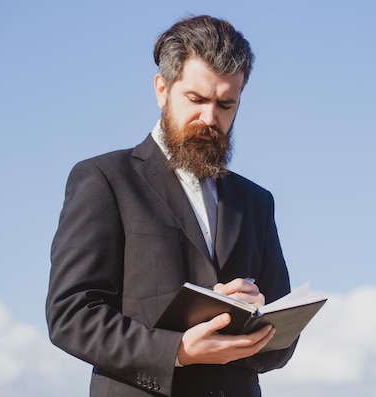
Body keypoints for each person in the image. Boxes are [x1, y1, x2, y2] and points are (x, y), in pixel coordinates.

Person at [46, 15, 296, 397]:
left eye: (226, 104)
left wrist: (259, 318)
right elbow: (71, 315)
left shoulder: (257, 203)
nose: (210, 118)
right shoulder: (105, 179)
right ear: (162, 89)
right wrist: (176, 351)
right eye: (196, 99)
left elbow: (280, 349)